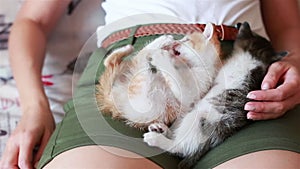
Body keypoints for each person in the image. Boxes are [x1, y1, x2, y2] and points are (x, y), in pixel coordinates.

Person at [1, 0, 300, 168]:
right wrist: (33, 107)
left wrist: (295, 63)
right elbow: (33, 22)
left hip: (243, 67)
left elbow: (287, 25)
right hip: (134, 65)